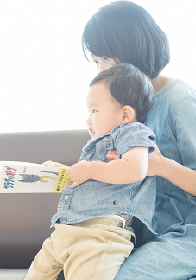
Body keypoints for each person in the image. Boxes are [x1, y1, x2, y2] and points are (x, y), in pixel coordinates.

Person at [75, 1, 196, 279]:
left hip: (184, 234)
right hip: (134, 231)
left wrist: (163, 166)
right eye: (96, 62)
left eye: (106, 59)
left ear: (133, 48)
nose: (101, 71)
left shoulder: (179, 101)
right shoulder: (123, 107)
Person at [24, 63, 156, 280]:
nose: (88, 119)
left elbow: (135, 169)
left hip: (101, 234)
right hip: (67, 230)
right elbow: (91, 179)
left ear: (125, 115)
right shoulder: (96, 145)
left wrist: (88, 169)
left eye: (94, 110)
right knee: (35, 274)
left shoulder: (133, 132)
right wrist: (64, 172)